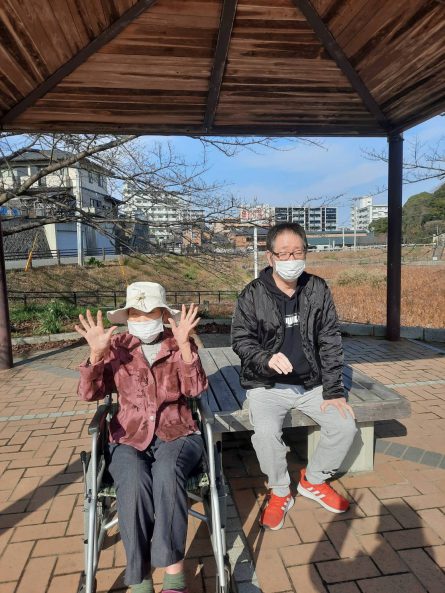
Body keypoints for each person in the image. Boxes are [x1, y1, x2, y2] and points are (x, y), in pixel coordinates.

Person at [75, 282, 208, 593]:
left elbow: (196, 390)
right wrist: (95, 354)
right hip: (128, 436)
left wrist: (186, 346)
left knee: (166, 473)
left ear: (163, 314)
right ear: (127, 316)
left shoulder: (178, 344)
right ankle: (141, 578)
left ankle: (174, 575)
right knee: (133, 484)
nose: (143, 317)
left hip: (177, 433)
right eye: (136, 312)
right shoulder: (116, 346)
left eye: (150, 312)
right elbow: (89, 394)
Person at [231, 223, 357, 531]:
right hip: (267, 385)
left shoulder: (317, 288)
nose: (292, 259)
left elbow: (330, 339)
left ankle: (313, 480)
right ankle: (279, 490)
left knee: (344, 426)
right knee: (265, 434)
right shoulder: (252, 294)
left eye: (298, 252)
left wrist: (334, 390)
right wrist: (265, 358)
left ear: (306, 253)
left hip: (312, 382)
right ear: (270, 257)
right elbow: (240, 339)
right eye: (284, 253)